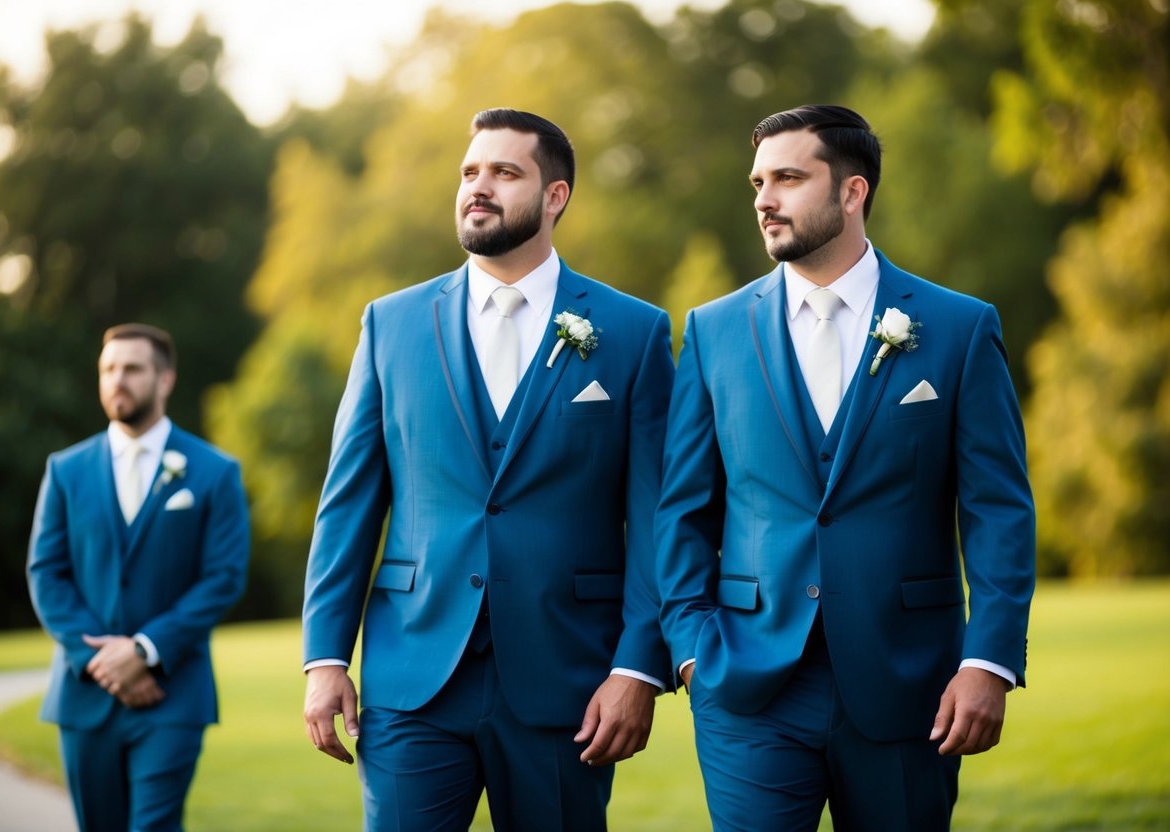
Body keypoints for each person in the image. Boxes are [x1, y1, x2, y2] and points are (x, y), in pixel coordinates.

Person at [655, 104, 1036, 831]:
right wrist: (689, 650)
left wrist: (988, 659)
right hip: (745, 680)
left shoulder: (958, 327)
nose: (764, 199)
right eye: (757, 181)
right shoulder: (712, 330)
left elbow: (997, 509)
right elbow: (681, 508)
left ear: (852, 191)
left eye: (789, 178)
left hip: (909, 681)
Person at [301, 108, 674, 830]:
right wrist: (324, 658)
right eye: (470, 172)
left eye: (504, 172)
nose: (479, 186)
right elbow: (347, 503)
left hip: (566, 679)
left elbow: (658, 516)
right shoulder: (391, 323)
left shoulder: (632, 332)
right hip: (415, 672)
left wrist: (635, 668)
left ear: (555, 196)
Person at [27, 323, 249, 832]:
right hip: (85, 695)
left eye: (131, 368)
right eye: (107, 369)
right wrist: (103, 661)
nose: (116, 381)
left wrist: (145, 650)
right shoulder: (65, 470)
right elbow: (46, 573)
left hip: (171, 696)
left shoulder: (214, 472)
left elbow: (223, 577)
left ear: (165, 379)